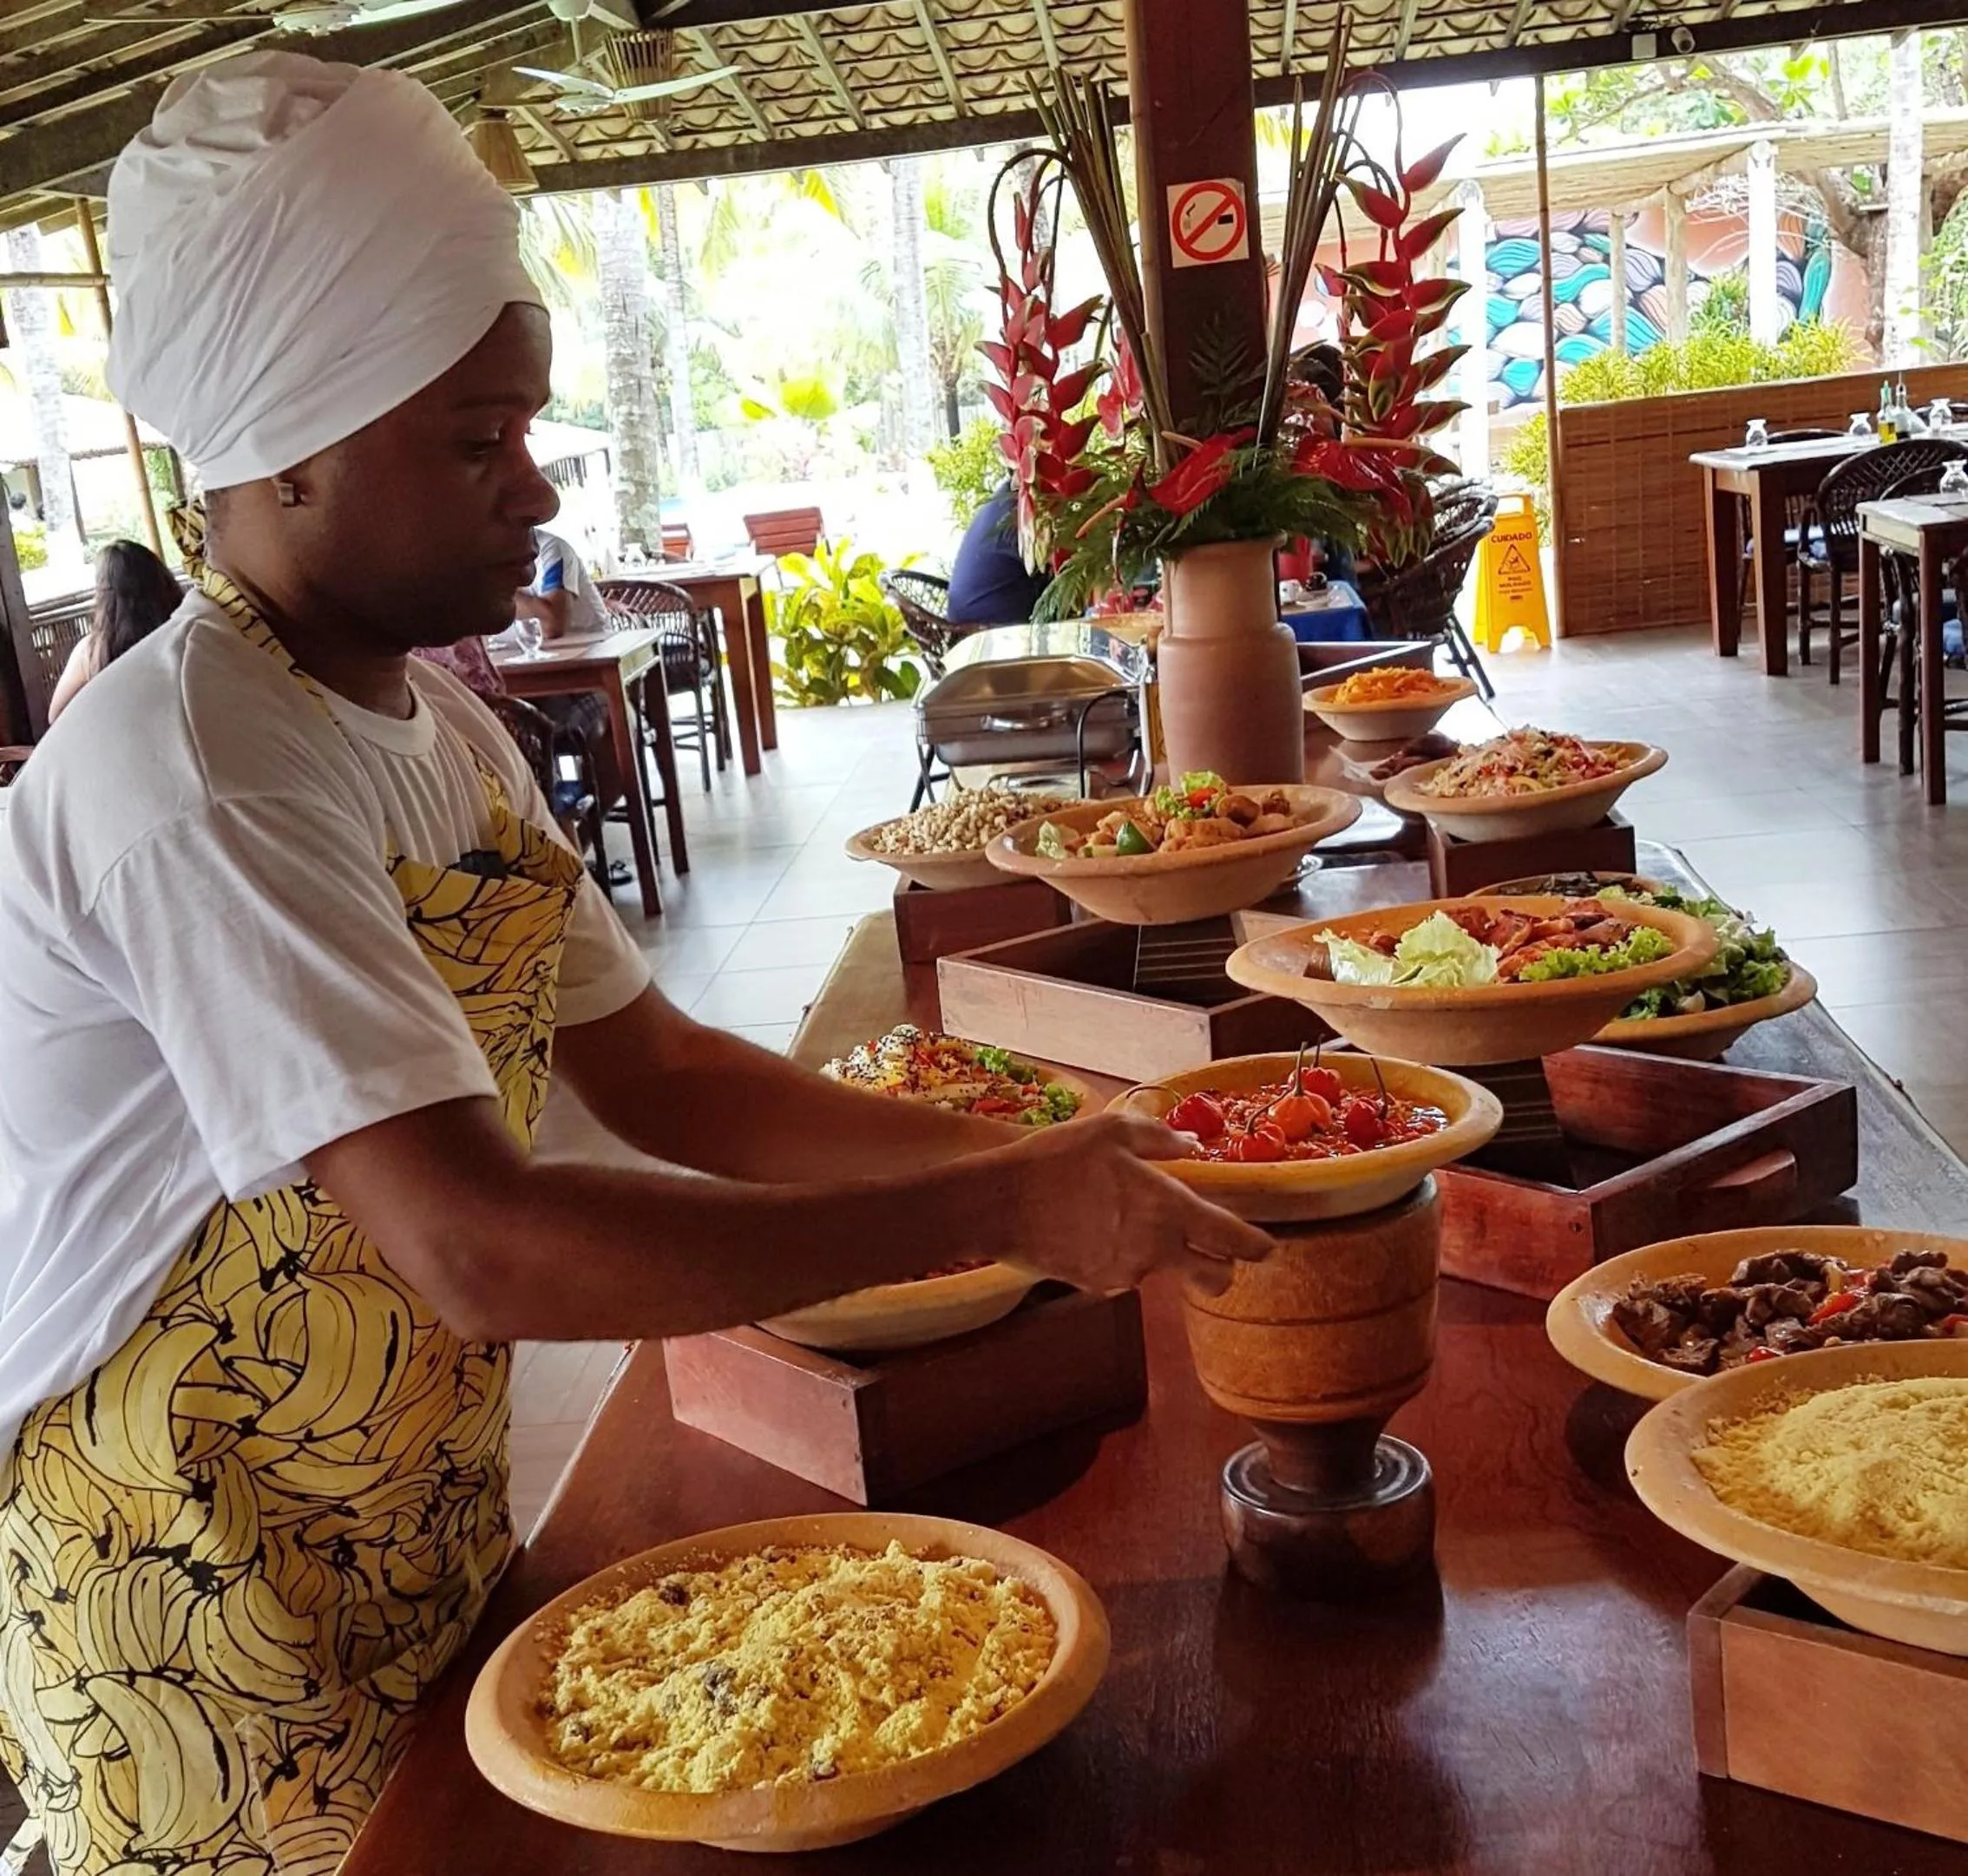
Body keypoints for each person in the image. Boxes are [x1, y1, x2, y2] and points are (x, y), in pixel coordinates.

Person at [0, 50, 1268, 1876]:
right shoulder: (198, 771)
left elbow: (663, 1076)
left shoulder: (438, 728)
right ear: (286, 446)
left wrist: (1044, 1158)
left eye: (524, 428)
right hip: (185, 1564)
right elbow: (479, 1242)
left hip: (398, 1500)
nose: (534, 486)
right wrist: (999, 1211)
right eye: (474, 442)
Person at [44, 537, 183, 723]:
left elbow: (56, 716)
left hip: (122, 736)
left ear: (105, 595)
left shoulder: (92, 651)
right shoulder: (184, 631)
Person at [946, 479, 1049, 626]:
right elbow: (1062, 564)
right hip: (990, 629)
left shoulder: (1004, 500)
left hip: (971, 619)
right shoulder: (1015, 512)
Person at [515, 523, 608, 641]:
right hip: (533, 648)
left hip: (592, 644)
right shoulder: (496, 559)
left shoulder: (551, 549)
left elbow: (553, 626)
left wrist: (498, 594)